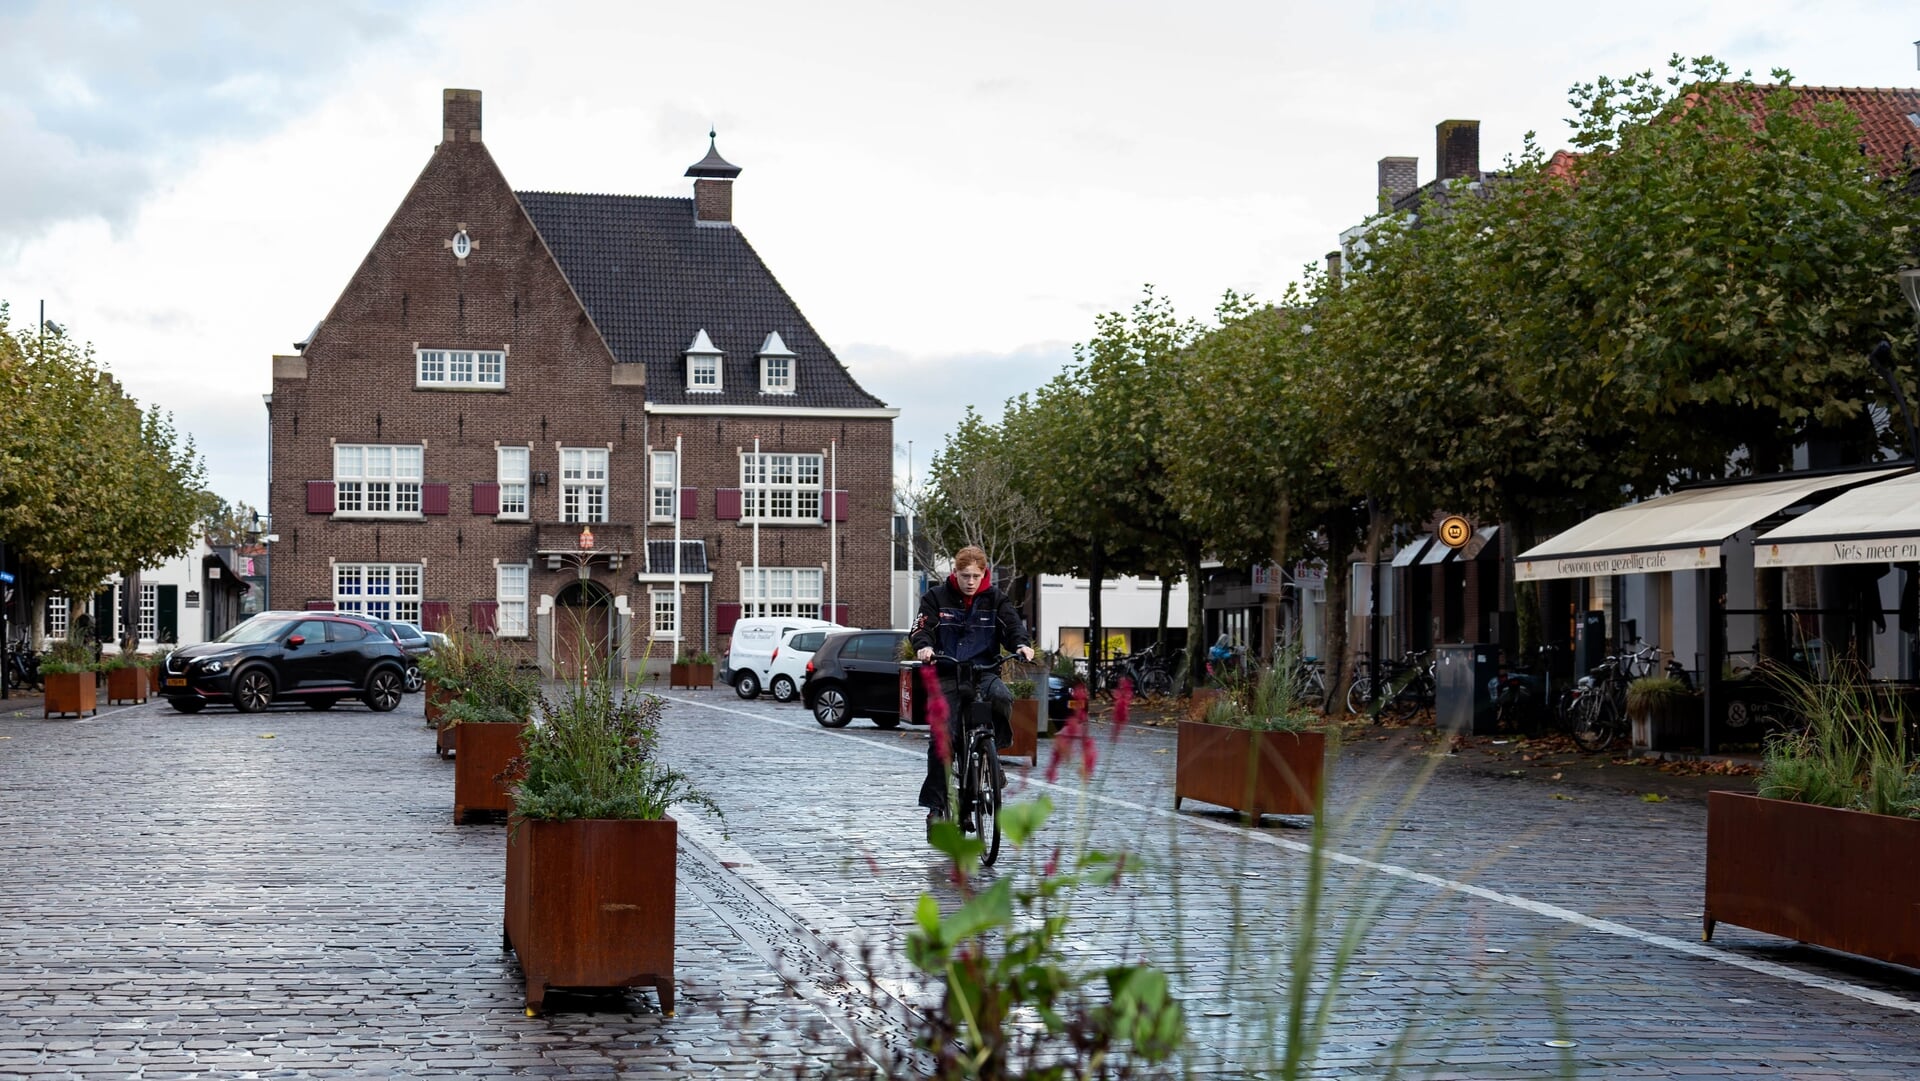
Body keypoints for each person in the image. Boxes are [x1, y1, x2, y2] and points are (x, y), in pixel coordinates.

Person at [909, 546, 1033, 830]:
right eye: (965, 575)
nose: (971, 581)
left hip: (983, 672)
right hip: (948, 673)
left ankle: (992, 755)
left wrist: (1022, 645)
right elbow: (920, 628)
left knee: (1002, 696)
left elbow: (1013, 627)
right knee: (943, 741)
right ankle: (936, 806)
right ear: (955, 573)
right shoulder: (935, 598)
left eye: (976, 576)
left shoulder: (996, 600)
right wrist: (925, 646)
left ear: (984, 574)